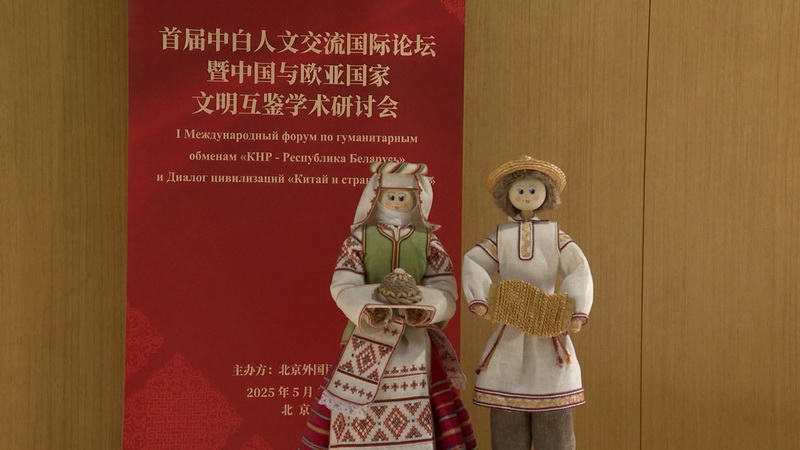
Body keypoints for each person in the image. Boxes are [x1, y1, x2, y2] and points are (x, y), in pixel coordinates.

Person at [299, 161, 476, 450]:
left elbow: (445, 288)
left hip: (415, 337)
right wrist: (372, 306)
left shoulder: (428, 241)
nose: (395, 202)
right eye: (390, 196)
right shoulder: (359, 240)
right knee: (351, 400)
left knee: (427, 398)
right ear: (376, 198)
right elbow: (343, 285)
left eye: (402, 197)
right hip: (365, 333)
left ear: (417, 200)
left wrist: (421, 305)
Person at [462, 155, 593, 450]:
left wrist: (576, 309)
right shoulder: (501, 237)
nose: (526, 196)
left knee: (555, 421)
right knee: (506, 422)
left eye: (533, 189)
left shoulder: (555, 236)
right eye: (520, 190)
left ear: (547, 194)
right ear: (507, 195)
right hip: (510, 323)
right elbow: (474, 262)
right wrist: (480, 296)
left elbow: (579, 268)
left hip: (550, 327)